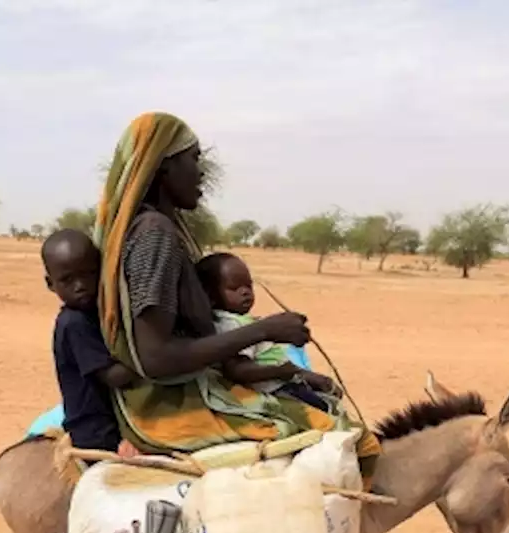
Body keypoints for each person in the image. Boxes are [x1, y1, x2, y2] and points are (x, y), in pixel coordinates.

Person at [91, 111, 381, 485]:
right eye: (193, 159)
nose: (203, 173)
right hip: (171, 402)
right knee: (341, 433)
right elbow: (155, 357)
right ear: (163, 167)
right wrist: (262, 331)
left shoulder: (161, 229)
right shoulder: (154, 236)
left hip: (191, 383)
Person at [194, 251, 340, 412]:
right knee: (327, 411)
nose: (245, 292)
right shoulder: (231, 324)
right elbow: (237, 370)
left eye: (248, 285)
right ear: (210, 295)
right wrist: (279, 372)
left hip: (284, 384)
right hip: (278, 390)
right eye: (234, 288)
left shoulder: (240, 321)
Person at [42, 229, 138, 454]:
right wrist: (155, 358)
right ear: (50, 284)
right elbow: (114, 376)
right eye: (68, 279)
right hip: (96, 432)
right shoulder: (74, 323)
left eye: (89, 274)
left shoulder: (97, 314)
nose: (80, 285)